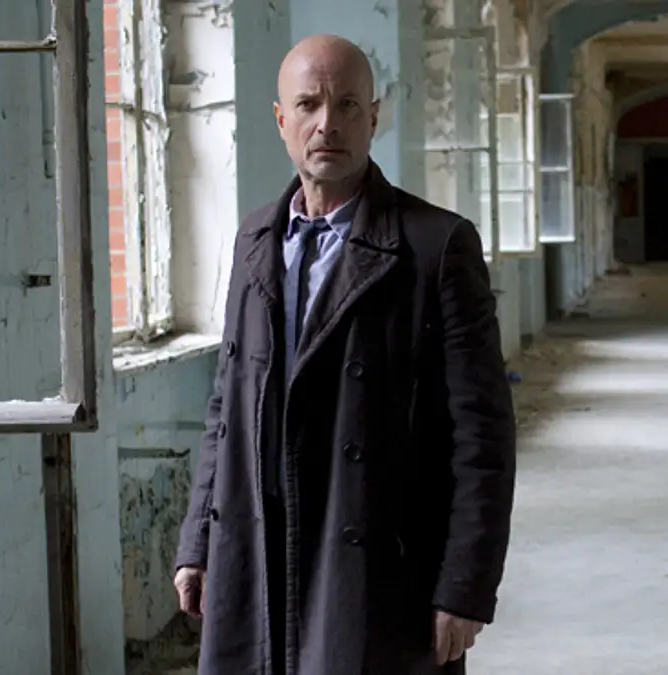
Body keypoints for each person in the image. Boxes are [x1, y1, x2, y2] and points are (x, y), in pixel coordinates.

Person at [172, 34, 517, 675]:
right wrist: (198, 542)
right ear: (281, 119)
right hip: (259, 549)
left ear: (373, 118)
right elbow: (227, 405)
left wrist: (465, 586)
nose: (327, 123)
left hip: (379, 558)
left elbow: (483, 433)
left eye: (348, 105)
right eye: (308, 104)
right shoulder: (255, 238)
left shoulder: (435, 246)